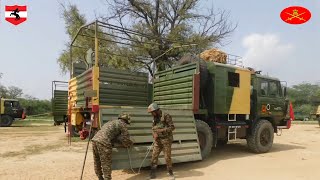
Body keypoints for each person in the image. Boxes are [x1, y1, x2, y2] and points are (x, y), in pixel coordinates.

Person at [91, 112, 133, 180]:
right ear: (126, 120)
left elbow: (111, 134)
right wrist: (129, 144)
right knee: (106, 163)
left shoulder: (111, 122)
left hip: (95, 140)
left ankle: (100, 177)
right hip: (104, 142)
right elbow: (126, 139)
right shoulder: (122, 124)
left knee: (97, 161)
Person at [147, 102, 175, 179]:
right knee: (154, 156)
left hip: (166, 140)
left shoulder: (166, 115)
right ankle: (152, 174)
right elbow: (153, 127)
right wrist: (154, 134)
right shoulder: (155, 117)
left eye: (152, 112)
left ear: (156, 110)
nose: (151, 114)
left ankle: (171, 173)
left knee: (167, 157)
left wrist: (161, 130)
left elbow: (172, 127)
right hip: (158, 140)